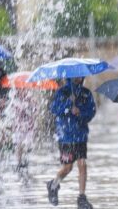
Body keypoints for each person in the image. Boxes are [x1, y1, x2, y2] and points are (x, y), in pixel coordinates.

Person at [46, 77, 96, 209]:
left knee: (82, 164)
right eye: (76, 76)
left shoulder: (86, 93)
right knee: (68, 167)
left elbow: (91, 112)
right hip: (65, 136)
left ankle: (82, 197)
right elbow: (54, 109)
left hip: (81, 135)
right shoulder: (61, 92)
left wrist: (80, 113)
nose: (78, 78)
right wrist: (68, 105)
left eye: (80, 76)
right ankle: (53, 185)